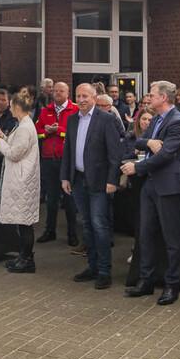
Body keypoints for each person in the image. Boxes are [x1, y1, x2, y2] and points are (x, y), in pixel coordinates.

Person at [122, 80, 180, 306]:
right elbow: (138, 140)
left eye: (152, 94)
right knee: (146, 234)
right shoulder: (156, 119)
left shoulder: (179, 122)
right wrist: (151, 141)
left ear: (163, 97)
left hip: (168, 186)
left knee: (171, 237)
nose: (149, 97)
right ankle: (146, 280)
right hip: (150, 185)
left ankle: (172, 285)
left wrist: (137, 168)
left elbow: (166, 154)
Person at [61, 83, 122, 289]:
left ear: (94, 98)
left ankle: (104, 271)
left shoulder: (106, 119)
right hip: (78, 180)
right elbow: (68, 151)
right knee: (86, 224)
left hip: (99, 182)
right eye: (78, 96)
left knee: (99, 225)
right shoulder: (72, 120)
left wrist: (112, 180)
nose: (81, 99)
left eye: (85, 96)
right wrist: (65, 177)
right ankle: (92, 266)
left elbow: (115, 154)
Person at [0, 91, 41, 274]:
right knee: (22, 222)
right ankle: (23, 256)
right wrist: (3, 137)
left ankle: (27, 259)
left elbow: (14, 154)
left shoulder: (24, 127)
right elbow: (17, 146)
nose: (9, 109)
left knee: (24, 223)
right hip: (23, 178)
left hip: (22, 180)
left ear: (16, 107)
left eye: (11, 106)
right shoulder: (24, 124)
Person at [35, 81, 79, 246]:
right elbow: (36, 131)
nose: (58, 93)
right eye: (55, 91)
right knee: (51, 199)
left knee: (69, 200)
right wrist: (46, 132)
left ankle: (72, 234)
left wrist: (58, 130)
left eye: (61, 91)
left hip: (67, 160)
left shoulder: (75, 110)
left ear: (68, 93)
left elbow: (77, 134)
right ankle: (50, 231)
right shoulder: (45, 110)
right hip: (48, 160)